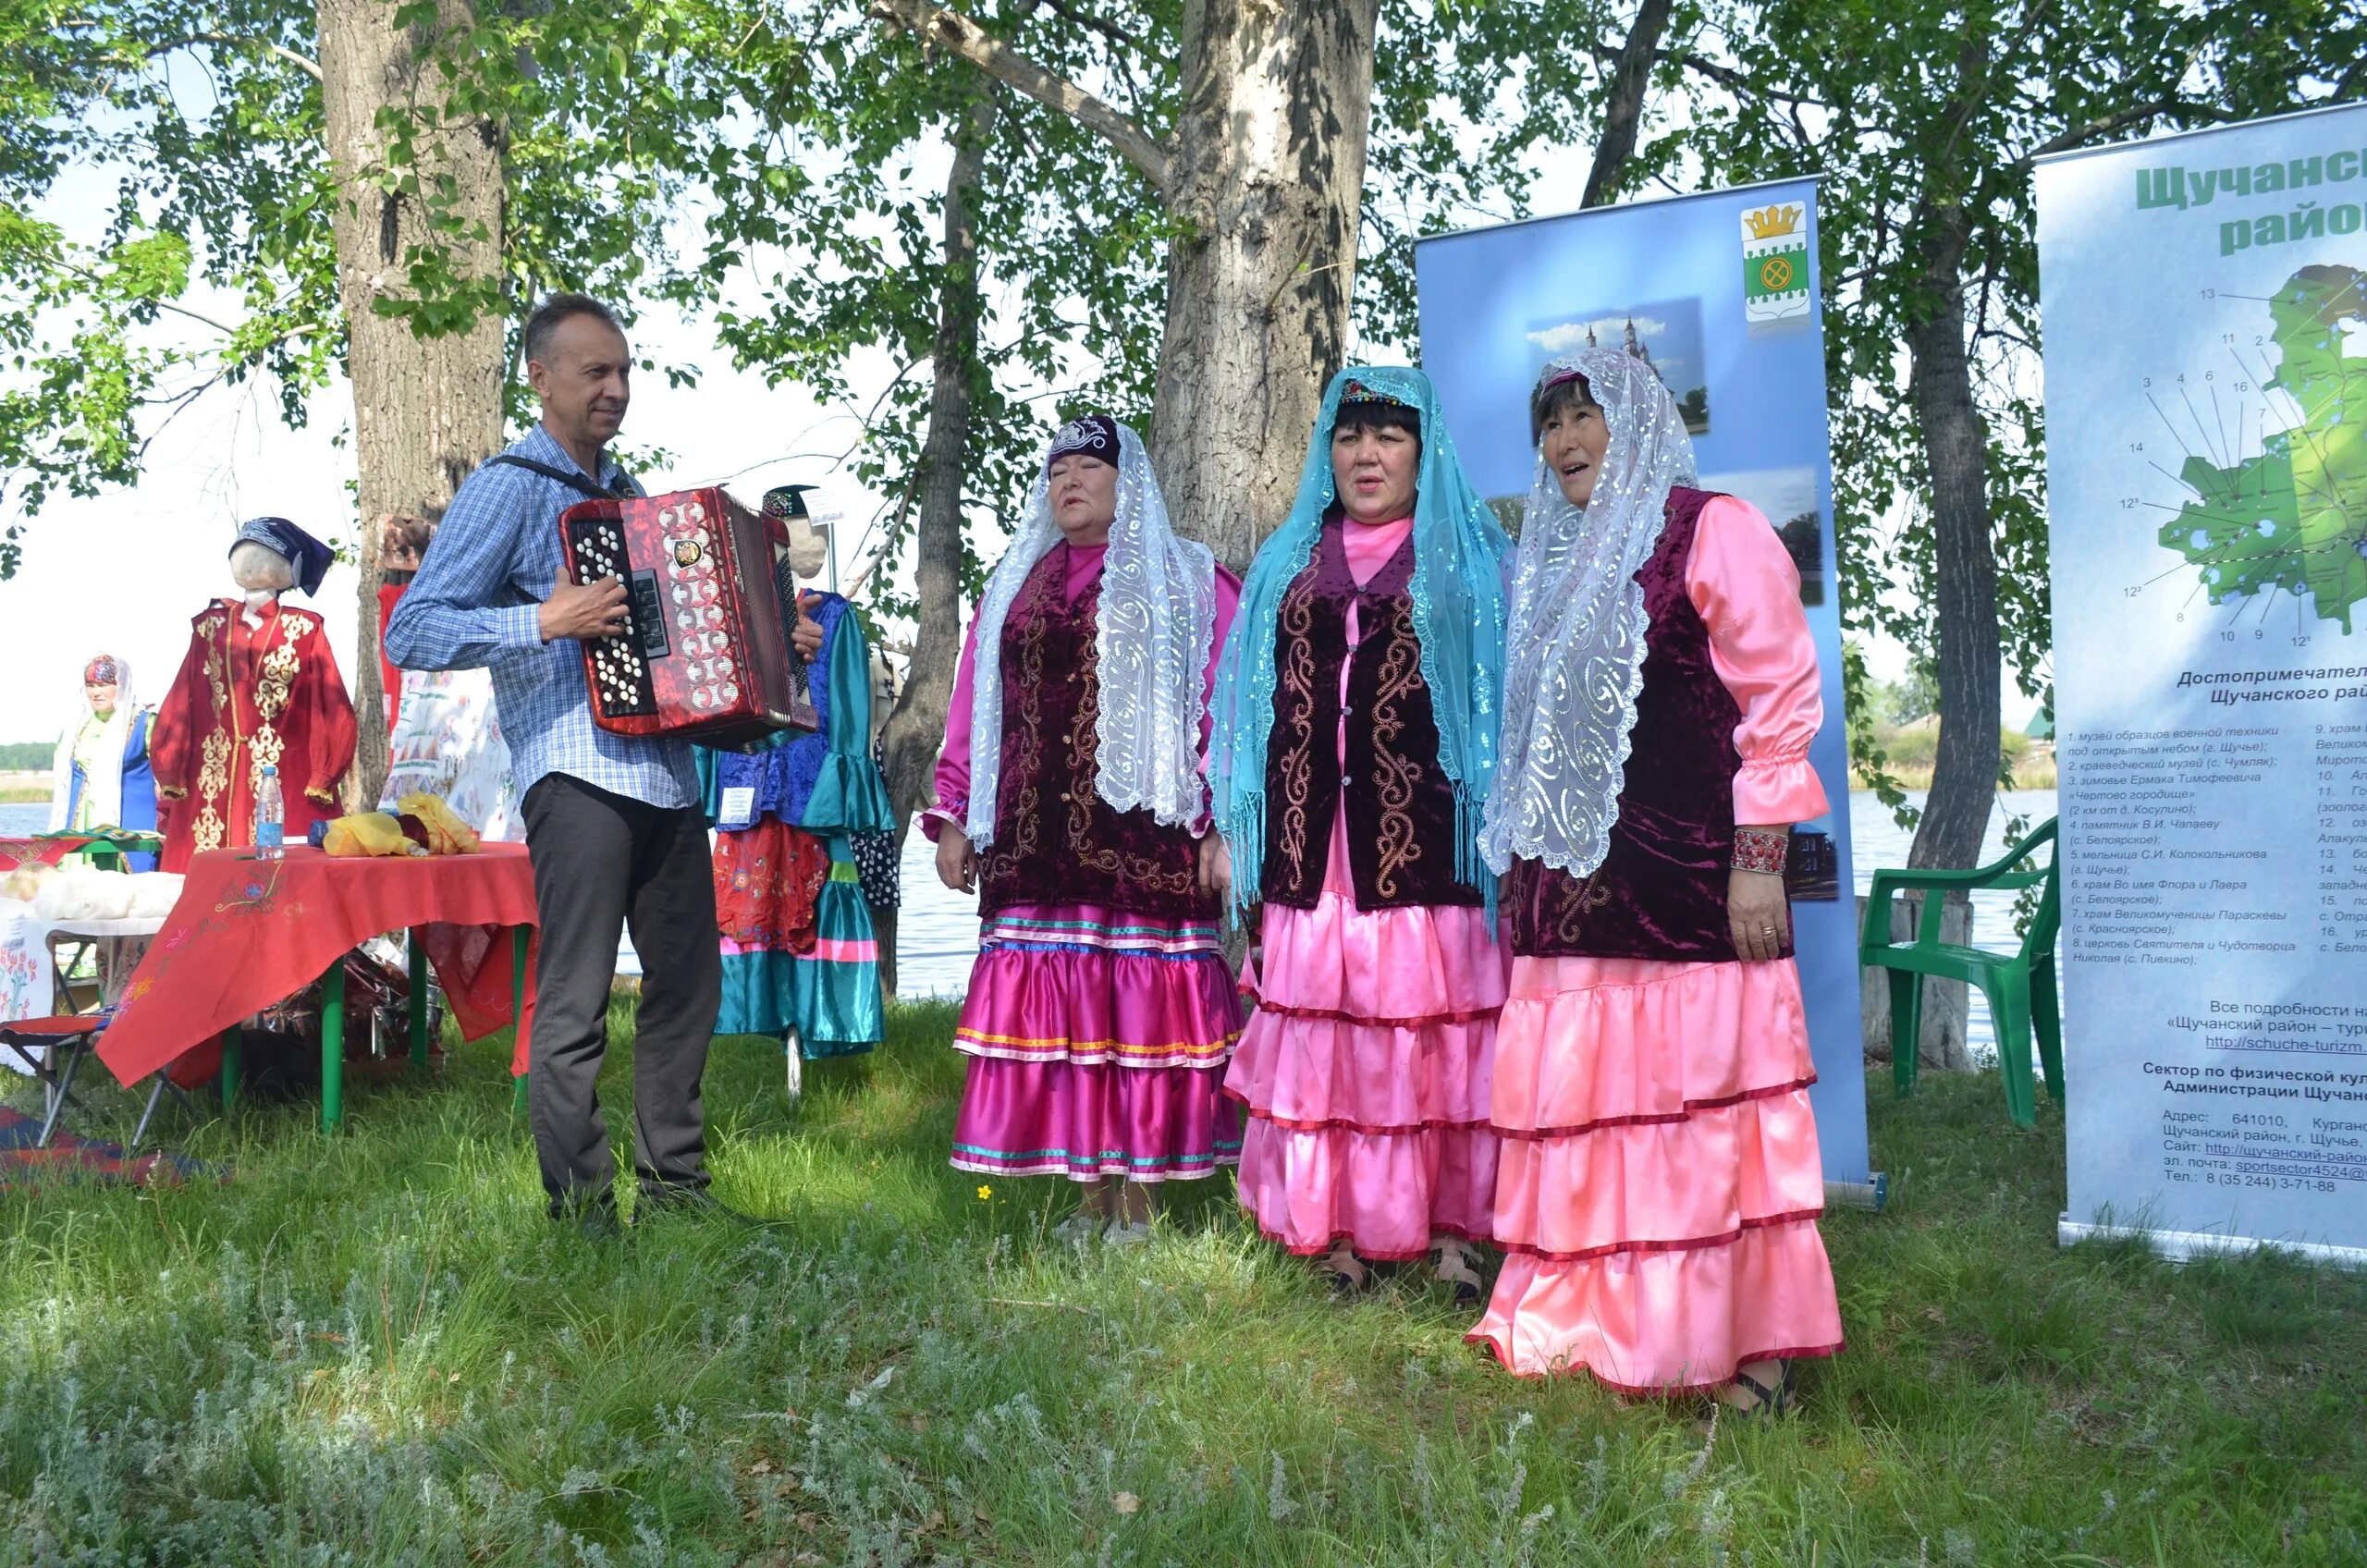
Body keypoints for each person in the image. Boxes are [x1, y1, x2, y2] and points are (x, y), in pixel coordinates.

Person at [1469, 349, 1844, 1414]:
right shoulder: (1549, 557)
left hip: (1683, 890)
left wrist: (1758, 864)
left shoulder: (1711, 527)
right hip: (1573, 905)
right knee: (1593, 1123)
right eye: (1550, 424)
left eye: (1586, 415)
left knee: (1700, 1127)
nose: (1565, 440)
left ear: (1634, 420)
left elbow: (1778, 700)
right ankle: (1596, 1324)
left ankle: (1734, 1345)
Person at [385, 291, 730, 1238]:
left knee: (689, 983)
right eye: (594, 372)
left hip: (664, 774)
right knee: (576, 994)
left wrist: (761, 648)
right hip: (574, 769)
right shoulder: (509, 484)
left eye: (623, 371)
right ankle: (581, 1212)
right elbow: (415, 626)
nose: (615, 389)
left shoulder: (628, 501)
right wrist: (544, 618)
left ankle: (677, 1188)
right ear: (539, 380)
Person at [1208, 367, 1511, 1297]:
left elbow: (1503, 708)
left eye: (1388, 437)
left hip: (1427, 847)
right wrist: (1233, 829)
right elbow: (1243, 713)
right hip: (1313, 847)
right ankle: (1334, 1232)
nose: (1366, 454)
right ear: (1325, 453)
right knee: (1327, 1043)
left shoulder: (1466, 563)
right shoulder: (1284, 567)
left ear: (1424, 453)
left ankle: (1451, 1234)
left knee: (1431, 1038)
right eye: (1348, 438)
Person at [919, 415, 1245, 1242]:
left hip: (1142, 854)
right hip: (1034, 846)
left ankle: (1135, 1203)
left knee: (1128, 1030)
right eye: (1055, 469)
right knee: (1065, 1035)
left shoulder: (1189, 581)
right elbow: (973, 712)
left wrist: (1222, 824)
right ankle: (1087, 1199)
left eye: (1086, 467)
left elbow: (1231, 710)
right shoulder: (1015, 588)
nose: (1067, 480)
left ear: (1124, 479)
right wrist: (956, 815)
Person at [151, 518, 357, 873]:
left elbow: (332, 707)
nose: (246, 559)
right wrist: (170, 766)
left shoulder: (305, 628)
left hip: (287, 780)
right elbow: (181, 697)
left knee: (285, 881)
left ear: (288, 567)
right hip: (212, 780)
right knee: (208, 879)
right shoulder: (208, 628)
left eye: (261, 551)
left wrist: (324, 775)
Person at [47, 654, 159, 871]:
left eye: (104, 684)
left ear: (122, 685)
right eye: (90, 685)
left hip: (128, 820)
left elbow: (166, 772)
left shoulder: (144, 723)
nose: (96, 692)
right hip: (81, 823)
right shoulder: (77, 728)